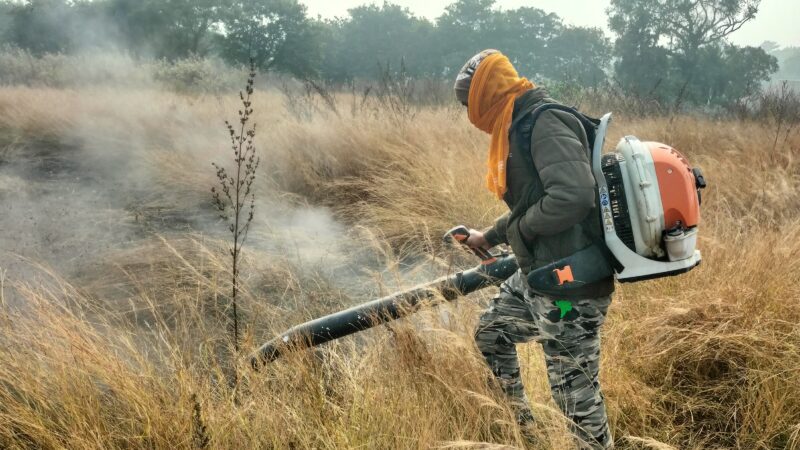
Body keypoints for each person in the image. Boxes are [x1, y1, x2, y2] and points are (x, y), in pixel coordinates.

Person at [454, 49, 615, 449]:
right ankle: (523, 429)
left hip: (570, 291)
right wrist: (487, 237)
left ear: (486, 94)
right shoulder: (518, 123)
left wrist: (521, 231)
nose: (469, 114)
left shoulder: (544, 121)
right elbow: (533, 201)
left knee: (574, 395)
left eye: (468, 102)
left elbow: (573, 196)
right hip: (542, 277)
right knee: (492, 334)